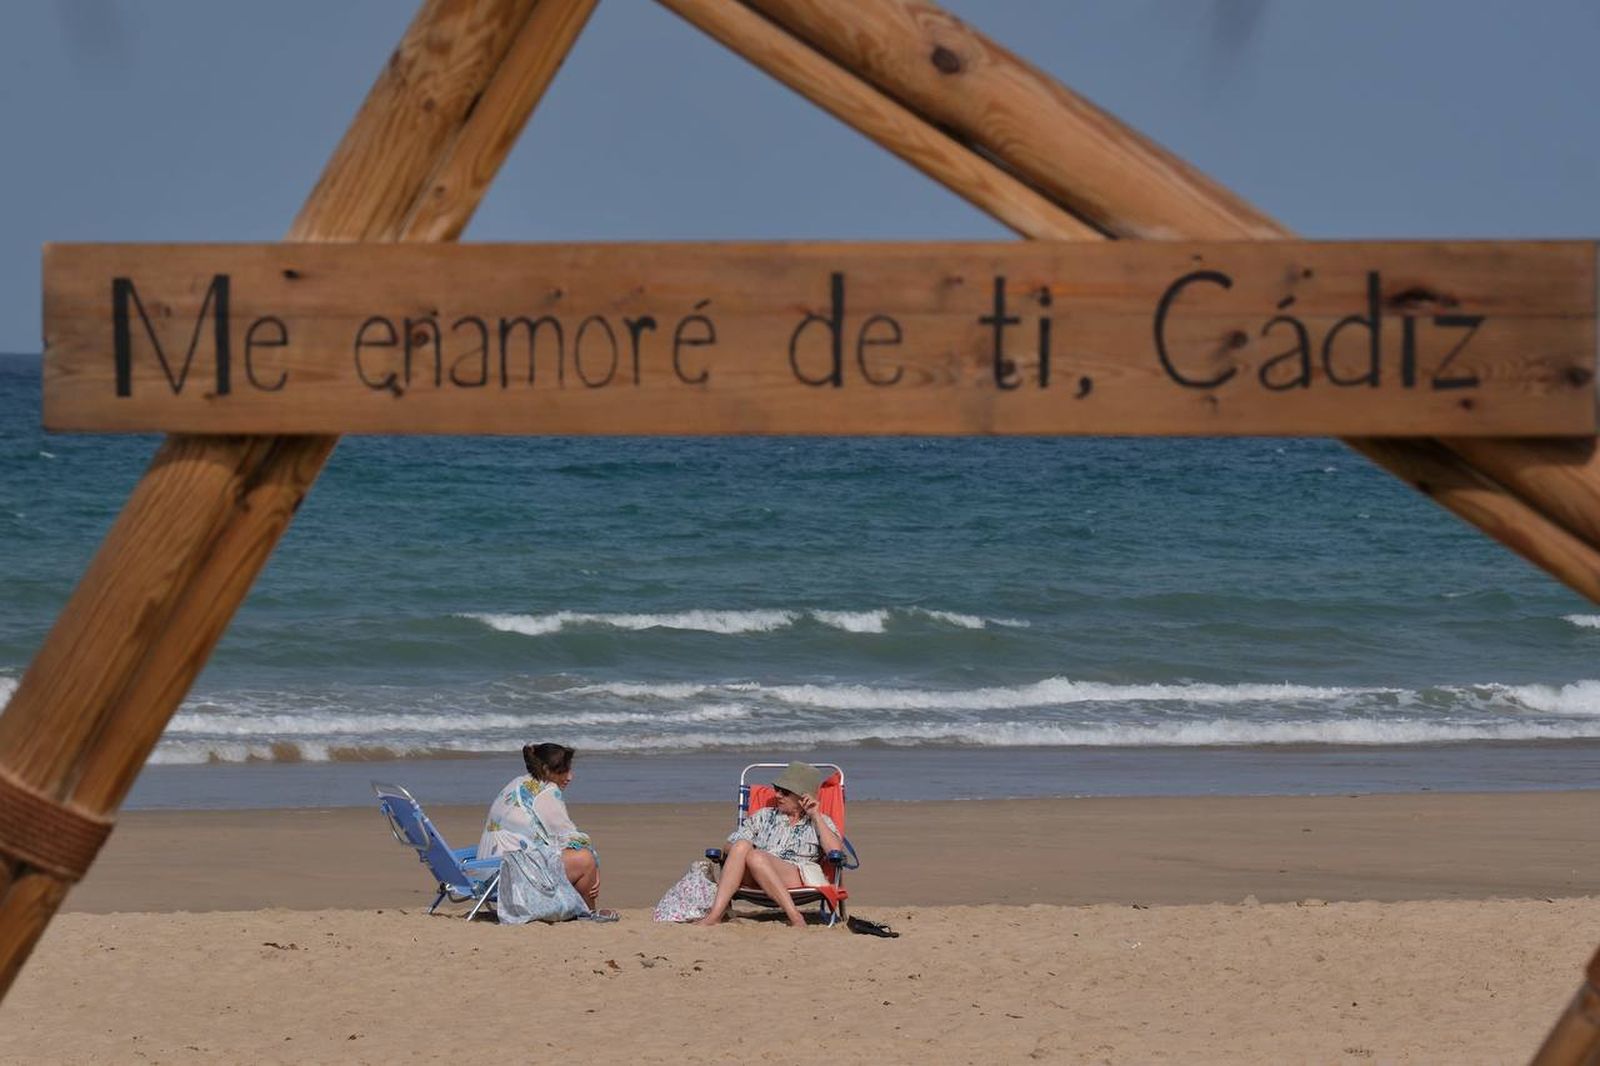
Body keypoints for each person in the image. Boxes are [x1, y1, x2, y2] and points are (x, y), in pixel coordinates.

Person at [696, 761, 844, 928]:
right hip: (754, 873)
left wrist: (815, 816)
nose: (778, 795)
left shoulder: (820, 822)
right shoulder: (763, 816)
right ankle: (715, 915)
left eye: (786, 792)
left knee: (755, 856)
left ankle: (795, 917)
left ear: (804, 797)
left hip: (794, 875)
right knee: (743, 845)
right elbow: (729, 846)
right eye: (777, 789)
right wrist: (748, 851)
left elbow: (835, 851)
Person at [477, 742, 616, 919]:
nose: (570, 777)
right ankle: (589, 912)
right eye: (563, 771)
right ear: (546, 770)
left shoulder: (518, 782)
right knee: (584, 859)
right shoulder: (547, 791)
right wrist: (595, 867)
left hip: (487, 872)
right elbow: (571, 838)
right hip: (511, 876)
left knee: (562, 854)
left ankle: (577, 906)